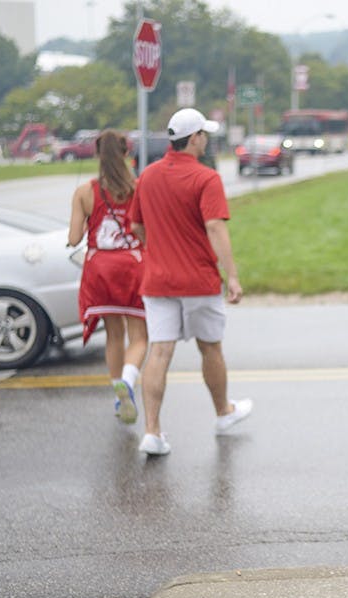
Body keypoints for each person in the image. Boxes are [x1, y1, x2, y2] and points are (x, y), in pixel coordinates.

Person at [128, 108, 252, 455]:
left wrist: (157, 246)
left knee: (160, 351)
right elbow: (215, 226)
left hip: (157, 281)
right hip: (198, 279)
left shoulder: (147, 176)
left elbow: (137, 226)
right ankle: (223, 413)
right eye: (204, 134)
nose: (207, 140)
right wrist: (233, 276)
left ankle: (152, 431)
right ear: (194, 138)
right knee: (210, 347)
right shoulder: (206, 178)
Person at [68, 130, 147, 425]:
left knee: (114, 334)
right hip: (132, 267)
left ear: (97, 155)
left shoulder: (85, 192)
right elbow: (144, 231)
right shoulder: (138, 188)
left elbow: (75, 236)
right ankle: (127, 379)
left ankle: (118, 393)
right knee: (139, 336)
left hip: (99, 268)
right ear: (127, 154)